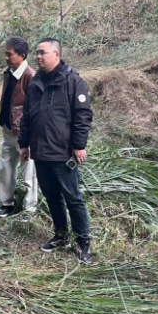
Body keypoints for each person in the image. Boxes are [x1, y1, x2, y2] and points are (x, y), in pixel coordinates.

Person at [18, 38, 93, 263]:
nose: (38, 57)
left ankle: (83, 242)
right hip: (40, 152)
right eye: (37, 53)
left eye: (43, 53)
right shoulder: (36, 82)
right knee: (52, 197)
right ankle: (61, 235)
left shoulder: (72, 81)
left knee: (73, 198)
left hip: (63, 152)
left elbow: (83, 116)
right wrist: (24, 144)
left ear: (56, 55)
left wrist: (79, 145)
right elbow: (27, 116)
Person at [0, 37, 38, 220]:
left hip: (24, 134)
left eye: (9, 54)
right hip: (8, 129)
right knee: (5, 168)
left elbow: (34, 110)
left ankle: (29, 209)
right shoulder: (9, 72)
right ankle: (6, 204)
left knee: (29, 172)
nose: (6, 57)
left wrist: (27, 135)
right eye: (5, 54)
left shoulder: (30, 76)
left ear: (22, 55)